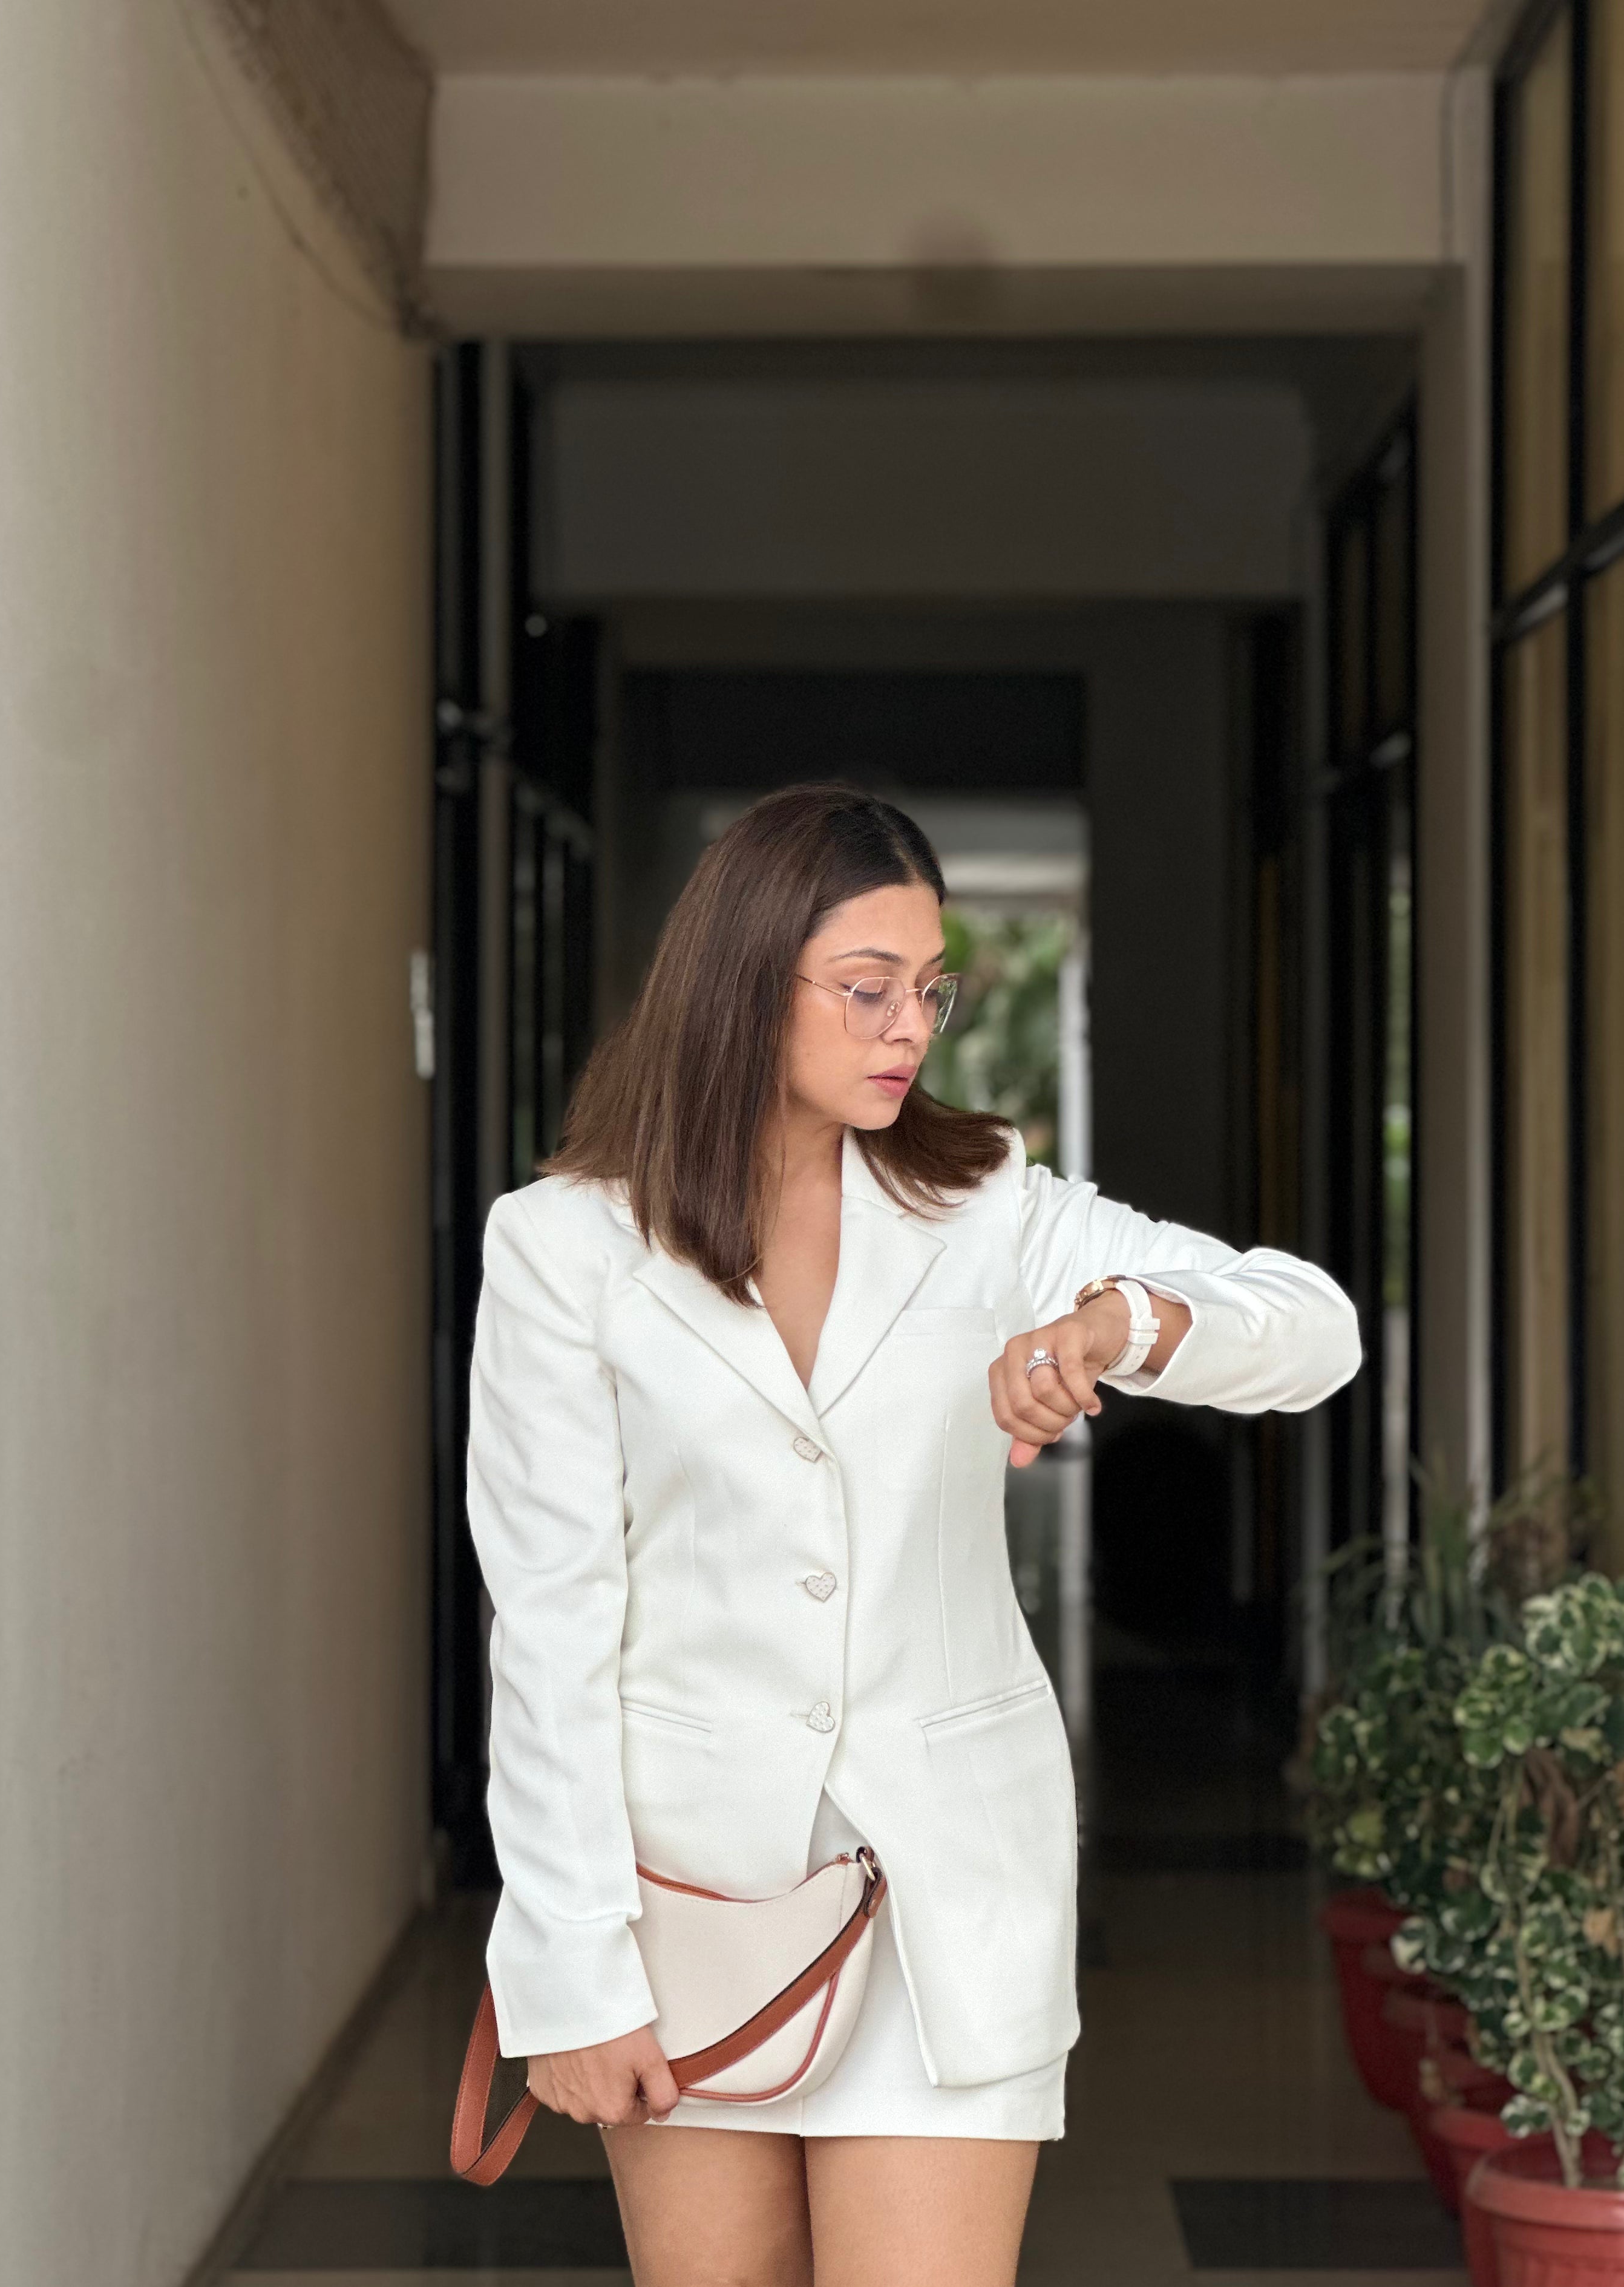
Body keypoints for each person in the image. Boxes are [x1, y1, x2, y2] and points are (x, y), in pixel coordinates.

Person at [467, 783, 1360, 2287]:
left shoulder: (986, 1209)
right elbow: (549, 1627)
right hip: (690, 1910)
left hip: (949, 1898)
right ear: (746, 985)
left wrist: (1121, 1321)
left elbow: (1314, 1330)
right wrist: (565, 1970)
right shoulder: (564, 1249)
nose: (910, 1029)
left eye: (929, 991)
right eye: (868, 989)